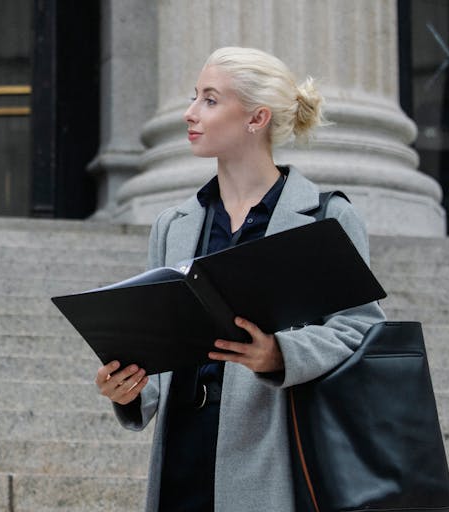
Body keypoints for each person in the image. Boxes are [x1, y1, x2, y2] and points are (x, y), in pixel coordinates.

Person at [93, 47, 386, 511]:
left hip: (274, 456)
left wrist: (279, 354)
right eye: (195, 97)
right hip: (181, 456)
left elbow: (361, 330)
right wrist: (129, 389)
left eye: (210, 100)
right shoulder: (175, 225)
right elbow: (158, 347)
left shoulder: (326, 217)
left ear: (256, 119)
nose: (190, 113)